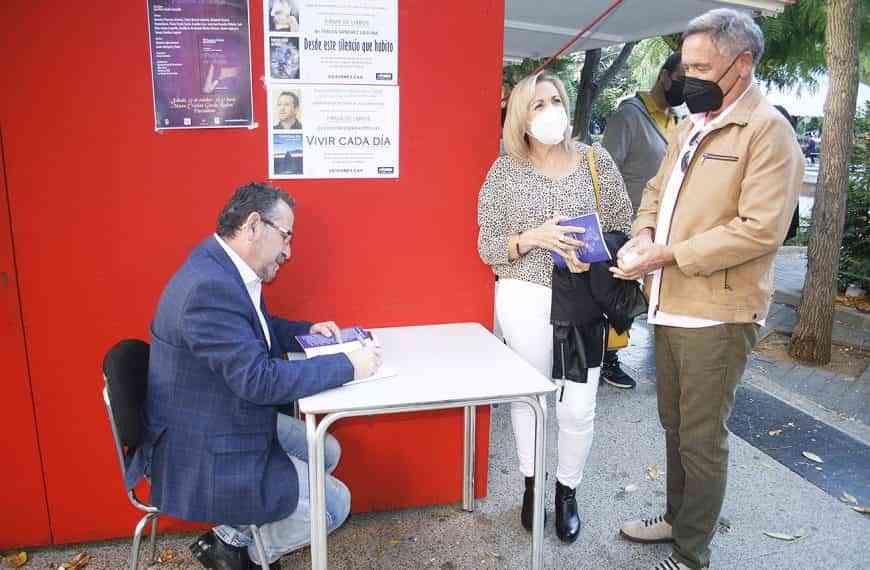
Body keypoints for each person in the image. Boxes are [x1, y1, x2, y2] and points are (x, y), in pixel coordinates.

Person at [610, 10, 803, 570]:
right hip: (669, 301)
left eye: (700, 66)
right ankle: (677, 518)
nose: (685, 77)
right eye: (684, 64)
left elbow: (760, 230)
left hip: (717, 313)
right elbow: (654, 188)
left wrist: (668, 254)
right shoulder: (690, 123)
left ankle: (693, 552)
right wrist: (644, 232)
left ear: (741, 65)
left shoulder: (768, 131)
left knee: (701, 436)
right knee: (673, 424)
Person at [128, 183, 382, 569]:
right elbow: (259, 381)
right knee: (335, 505)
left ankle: (234, 534)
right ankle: (238, 552)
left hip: (218, 416)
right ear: (252, 225)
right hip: (200, 447)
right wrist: (348, 366)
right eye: (286, 236)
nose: (288, 251)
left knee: (327, 450)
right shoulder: (208, 288)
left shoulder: (221, 266)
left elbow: (254, 328)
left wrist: (306, 332)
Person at [477, 72, 632, 543]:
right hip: (524, 296)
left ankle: (567, 490)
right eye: (537, 104)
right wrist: (529, 238)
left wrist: (592, 255)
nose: (550, 111)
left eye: (556, 100)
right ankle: (531, 484)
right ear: (520, 118)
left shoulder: (594, 161)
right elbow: (487, 246)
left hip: (582, 300)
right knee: (529, 397)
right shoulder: (504, 172)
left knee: (578, 406)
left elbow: (624, 226)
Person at [600, 52, 685, 390]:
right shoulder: (628, 117)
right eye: (683, 77)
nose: (687, 86)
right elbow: (605, 172)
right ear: (665, 76)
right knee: (619, 298)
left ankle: (659, 360)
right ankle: (608, 359)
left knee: (651, 297)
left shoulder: (679, 122)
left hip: (663, 231)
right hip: (625, 228)